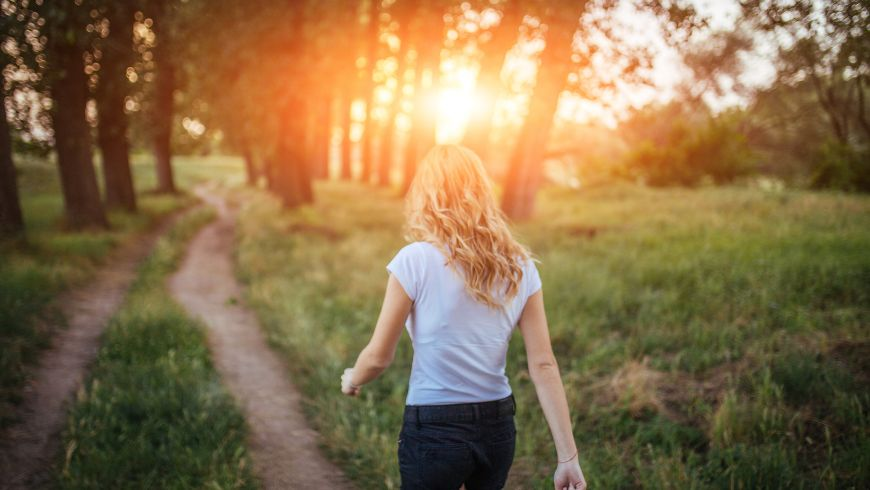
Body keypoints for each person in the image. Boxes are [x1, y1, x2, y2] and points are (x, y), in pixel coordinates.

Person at [340, 145, 587, 490]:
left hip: (435, 427)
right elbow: (544, 364)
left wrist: (353, 378)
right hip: (497, 425)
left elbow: (379, 357)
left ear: (425, 194)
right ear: (482, 191)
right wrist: (567, 458)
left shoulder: (415, 260)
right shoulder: (520, 266)